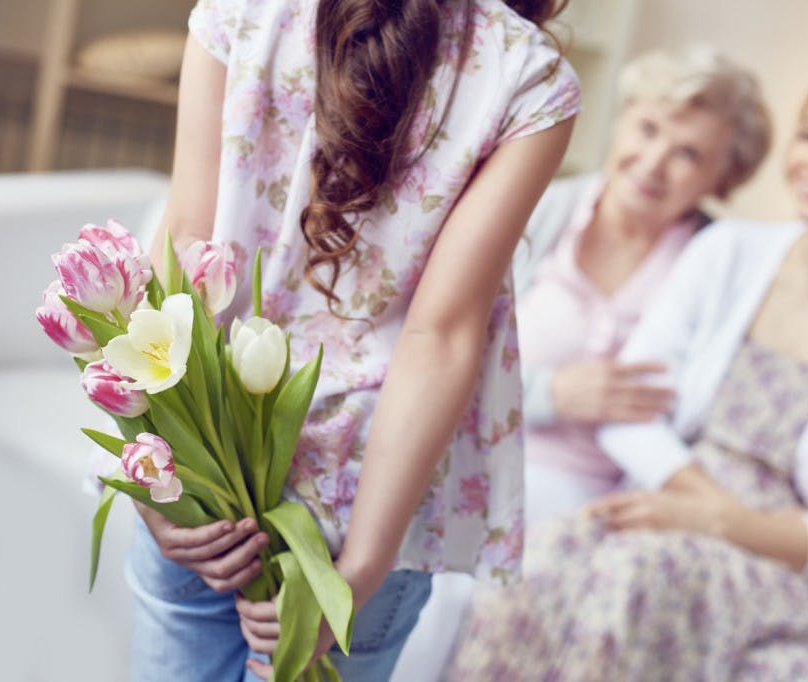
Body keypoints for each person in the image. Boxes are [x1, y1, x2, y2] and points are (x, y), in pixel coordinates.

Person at [447, 68, 808, 681]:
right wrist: (705, 505)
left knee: (634, 582)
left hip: (786, 560)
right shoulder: (730, 254)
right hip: (677, 505)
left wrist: (731, 524)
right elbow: (632, 418)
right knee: (525, 569)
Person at [127, 0, 581, 680]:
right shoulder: (528, 74)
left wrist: (150, 473)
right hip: (366, 502)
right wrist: (360, 570)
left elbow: (182, 246)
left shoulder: (243, 9)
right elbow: (440, 335)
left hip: (205, 460)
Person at [390, 47, 770, 681]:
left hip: (598, 501)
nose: (653, 163)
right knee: (439, 585)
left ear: (722, 178)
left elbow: (710, 411)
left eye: (688, 154)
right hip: (478, 460)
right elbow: (431, 342)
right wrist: (551, 394)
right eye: (648, 129)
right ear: (620, 122)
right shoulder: (538, 208)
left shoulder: (719, 267)